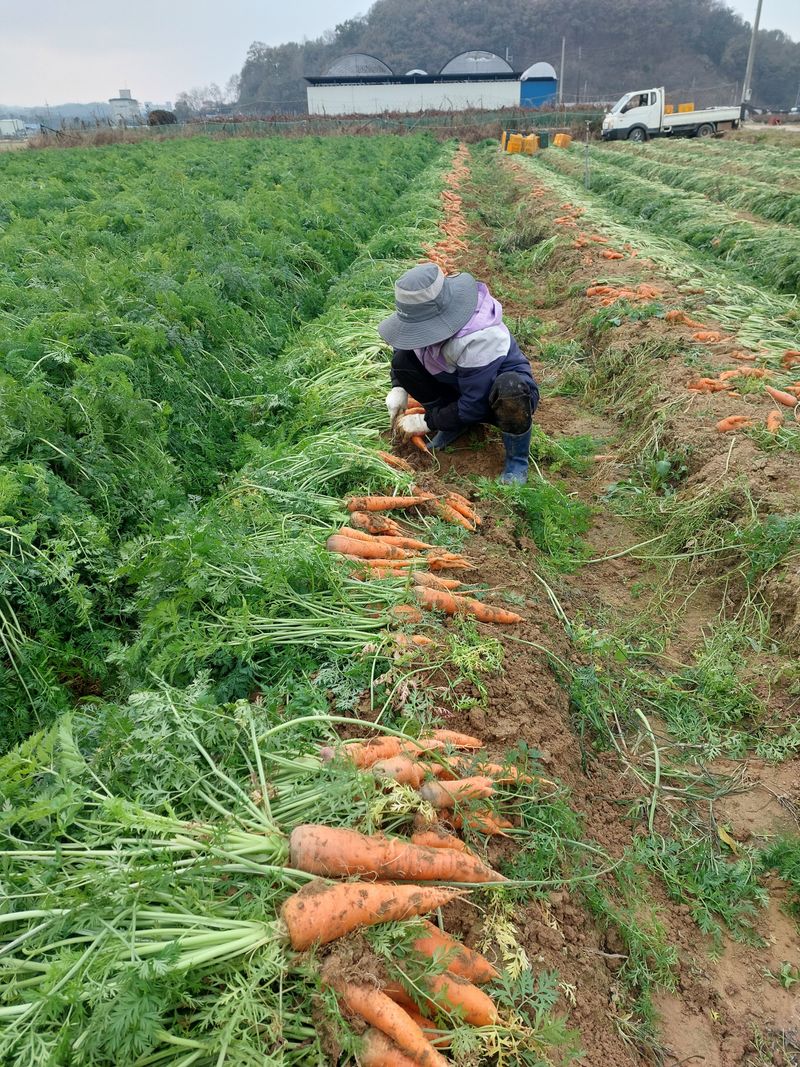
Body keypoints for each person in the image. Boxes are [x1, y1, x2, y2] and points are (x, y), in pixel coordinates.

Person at [378, 262, 539, 484]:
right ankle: (455, 423)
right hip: (458, 383)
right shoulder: (419, 318)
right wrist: (398, 386)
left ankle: (517, 460)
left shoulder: (479, 336)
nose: (417, 334)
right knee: (403, 360)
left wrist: (428, 421)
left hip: (493, 396)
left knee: (510, 388)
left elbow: (475, 402)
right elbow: (405, 342)